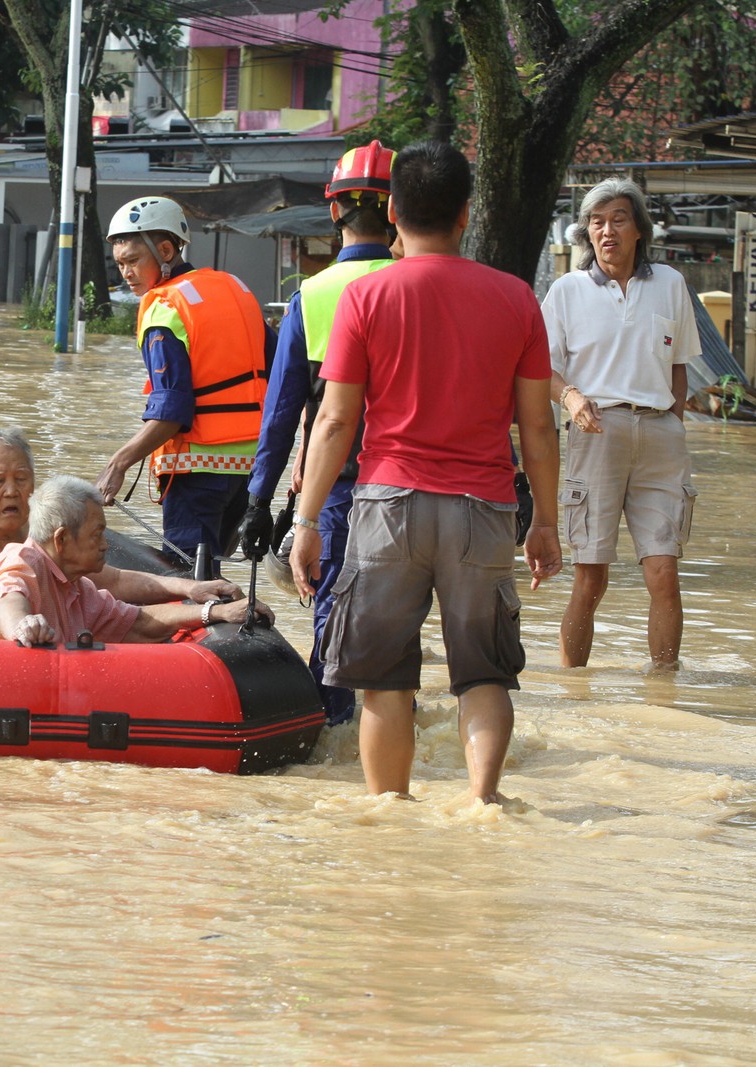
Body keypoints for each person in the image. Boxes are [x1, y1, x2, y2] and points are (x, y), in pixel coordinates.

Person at [288, 141, 562, 804]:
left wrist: (305, 520)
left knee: (384, 679)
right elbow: (538, 425)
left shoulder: (365, 295)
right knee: (483, 673)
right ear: (466, 213)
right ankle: (484, 803)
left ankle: (390, 814)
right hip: (484, 509)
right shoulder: (517, 299)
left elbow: (333, 421)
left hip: (387, 506)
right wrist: (547, 521)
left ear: (391, 211)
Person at [239, 140, 398, 727]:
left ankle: (330, 737)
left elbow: (281, 414)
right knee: (394, 627)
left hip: (337, 491)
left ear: (335, 212)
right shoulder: (420, 286)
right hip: (415, 490)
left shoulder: (316, 295)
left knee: (332, 617)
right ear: (396, 211)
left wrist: (259, 500)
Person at [543, 177, 700, 670]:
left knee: (664, 573)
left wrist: (671, 421)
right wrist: (570, 397)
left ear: (639, 230)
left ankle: (664, 689)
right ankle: (574, 691)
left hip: (661, 437)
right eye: (596, 221)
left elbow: (680, 367)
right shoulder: (566, 292)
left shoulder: (671, 284)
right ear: (585, 233)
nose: (606, 231)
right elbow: (539, 368)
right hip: (596, 435)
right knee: (591, 578)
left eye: (618, 219)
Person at [0, 429, 242, 634]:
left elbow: (112, 580)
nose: (12, 491)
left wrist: (190, 589)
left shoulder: (40, 536)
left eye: (22, 479)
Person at [93, 196, 272, 573]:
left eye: (133, 261)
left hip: (197, 470)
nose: (125, 273)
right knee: (211, 572)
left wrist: (119, 462)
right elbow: (282, 375)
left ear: (166, 250)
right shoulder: (236, 289)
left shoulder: (164, 309)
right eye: (120, 263)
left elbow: (172, 409)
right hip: (250, 469)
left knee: (191, 580)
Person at [0, 476, 272, 645]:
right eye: (97, 534)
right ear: (61, 540)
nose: (105, 544)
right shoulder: (21, 561)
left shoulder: (76, 586)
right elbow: (8, 597)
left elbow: (138, 622)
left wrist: (213, 611)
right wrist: (22, 624)